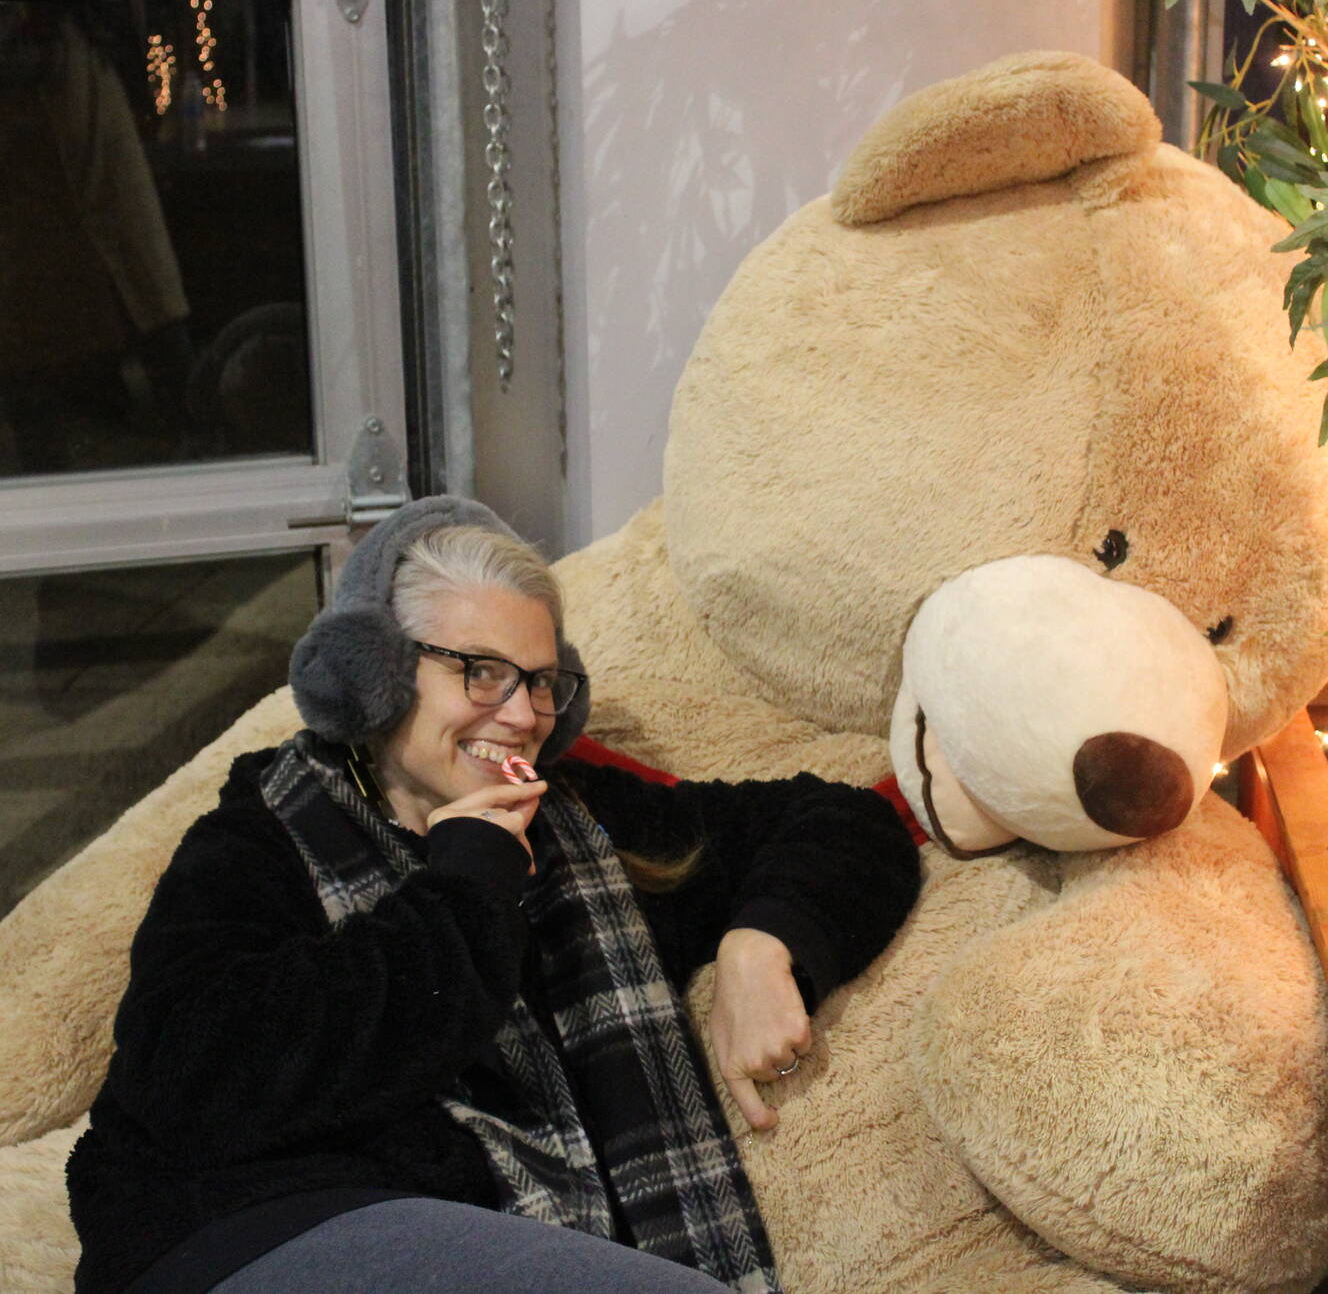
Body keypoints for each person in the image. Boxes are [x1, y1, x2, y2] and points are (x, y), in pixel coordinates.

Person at [65, 496, 922, 1294]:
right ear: (376, 674)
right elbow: (190, 1075)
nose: (521, 715)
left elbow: (843, 822)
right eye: (480, 671)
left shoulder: (587, 824)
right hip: (249, 1235)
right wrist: (466, 888)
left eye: (541, 681)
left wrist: (764, 943)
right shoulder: (258, 839)